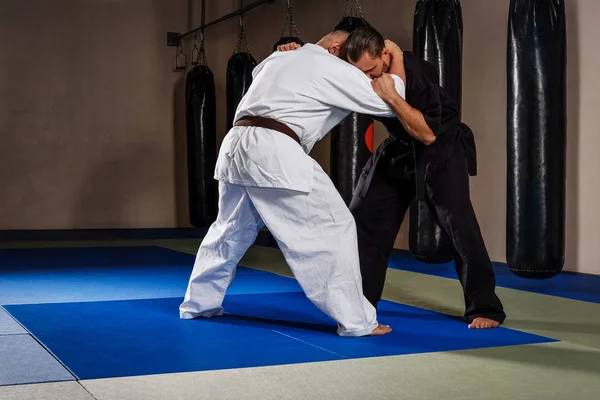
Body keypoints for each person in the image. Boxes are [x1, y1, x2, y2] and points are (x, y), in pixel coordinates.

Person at [179, 31, 408, 337]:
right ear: (337, 48)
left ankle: (198, 304)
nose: (363, 75)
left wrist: (291, 50)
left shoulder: (281, 57)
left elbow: (264, 73)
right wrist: (398, 59)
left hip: (235, 145)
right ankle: (358, 322)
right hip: (274, 149)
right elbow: (393, 102)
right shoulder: (333, 66)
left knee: (229, 230)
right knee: (335, 227)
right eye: (365, 70)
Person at [343, 26, 506, 329]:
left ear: (384, 54)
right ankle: (360, 308)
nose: (368, 78)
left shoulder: (414, 72)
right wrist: (293, 47)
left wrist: (391, 94)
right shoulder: (363, 66)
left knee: (460, 229)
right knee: (364, 219)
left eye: (372, 69)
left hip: (438, 147)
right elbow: (332, 41)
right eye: (360, 73)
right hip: (399, 147)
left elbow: (428, 134)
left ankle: (485, 308)